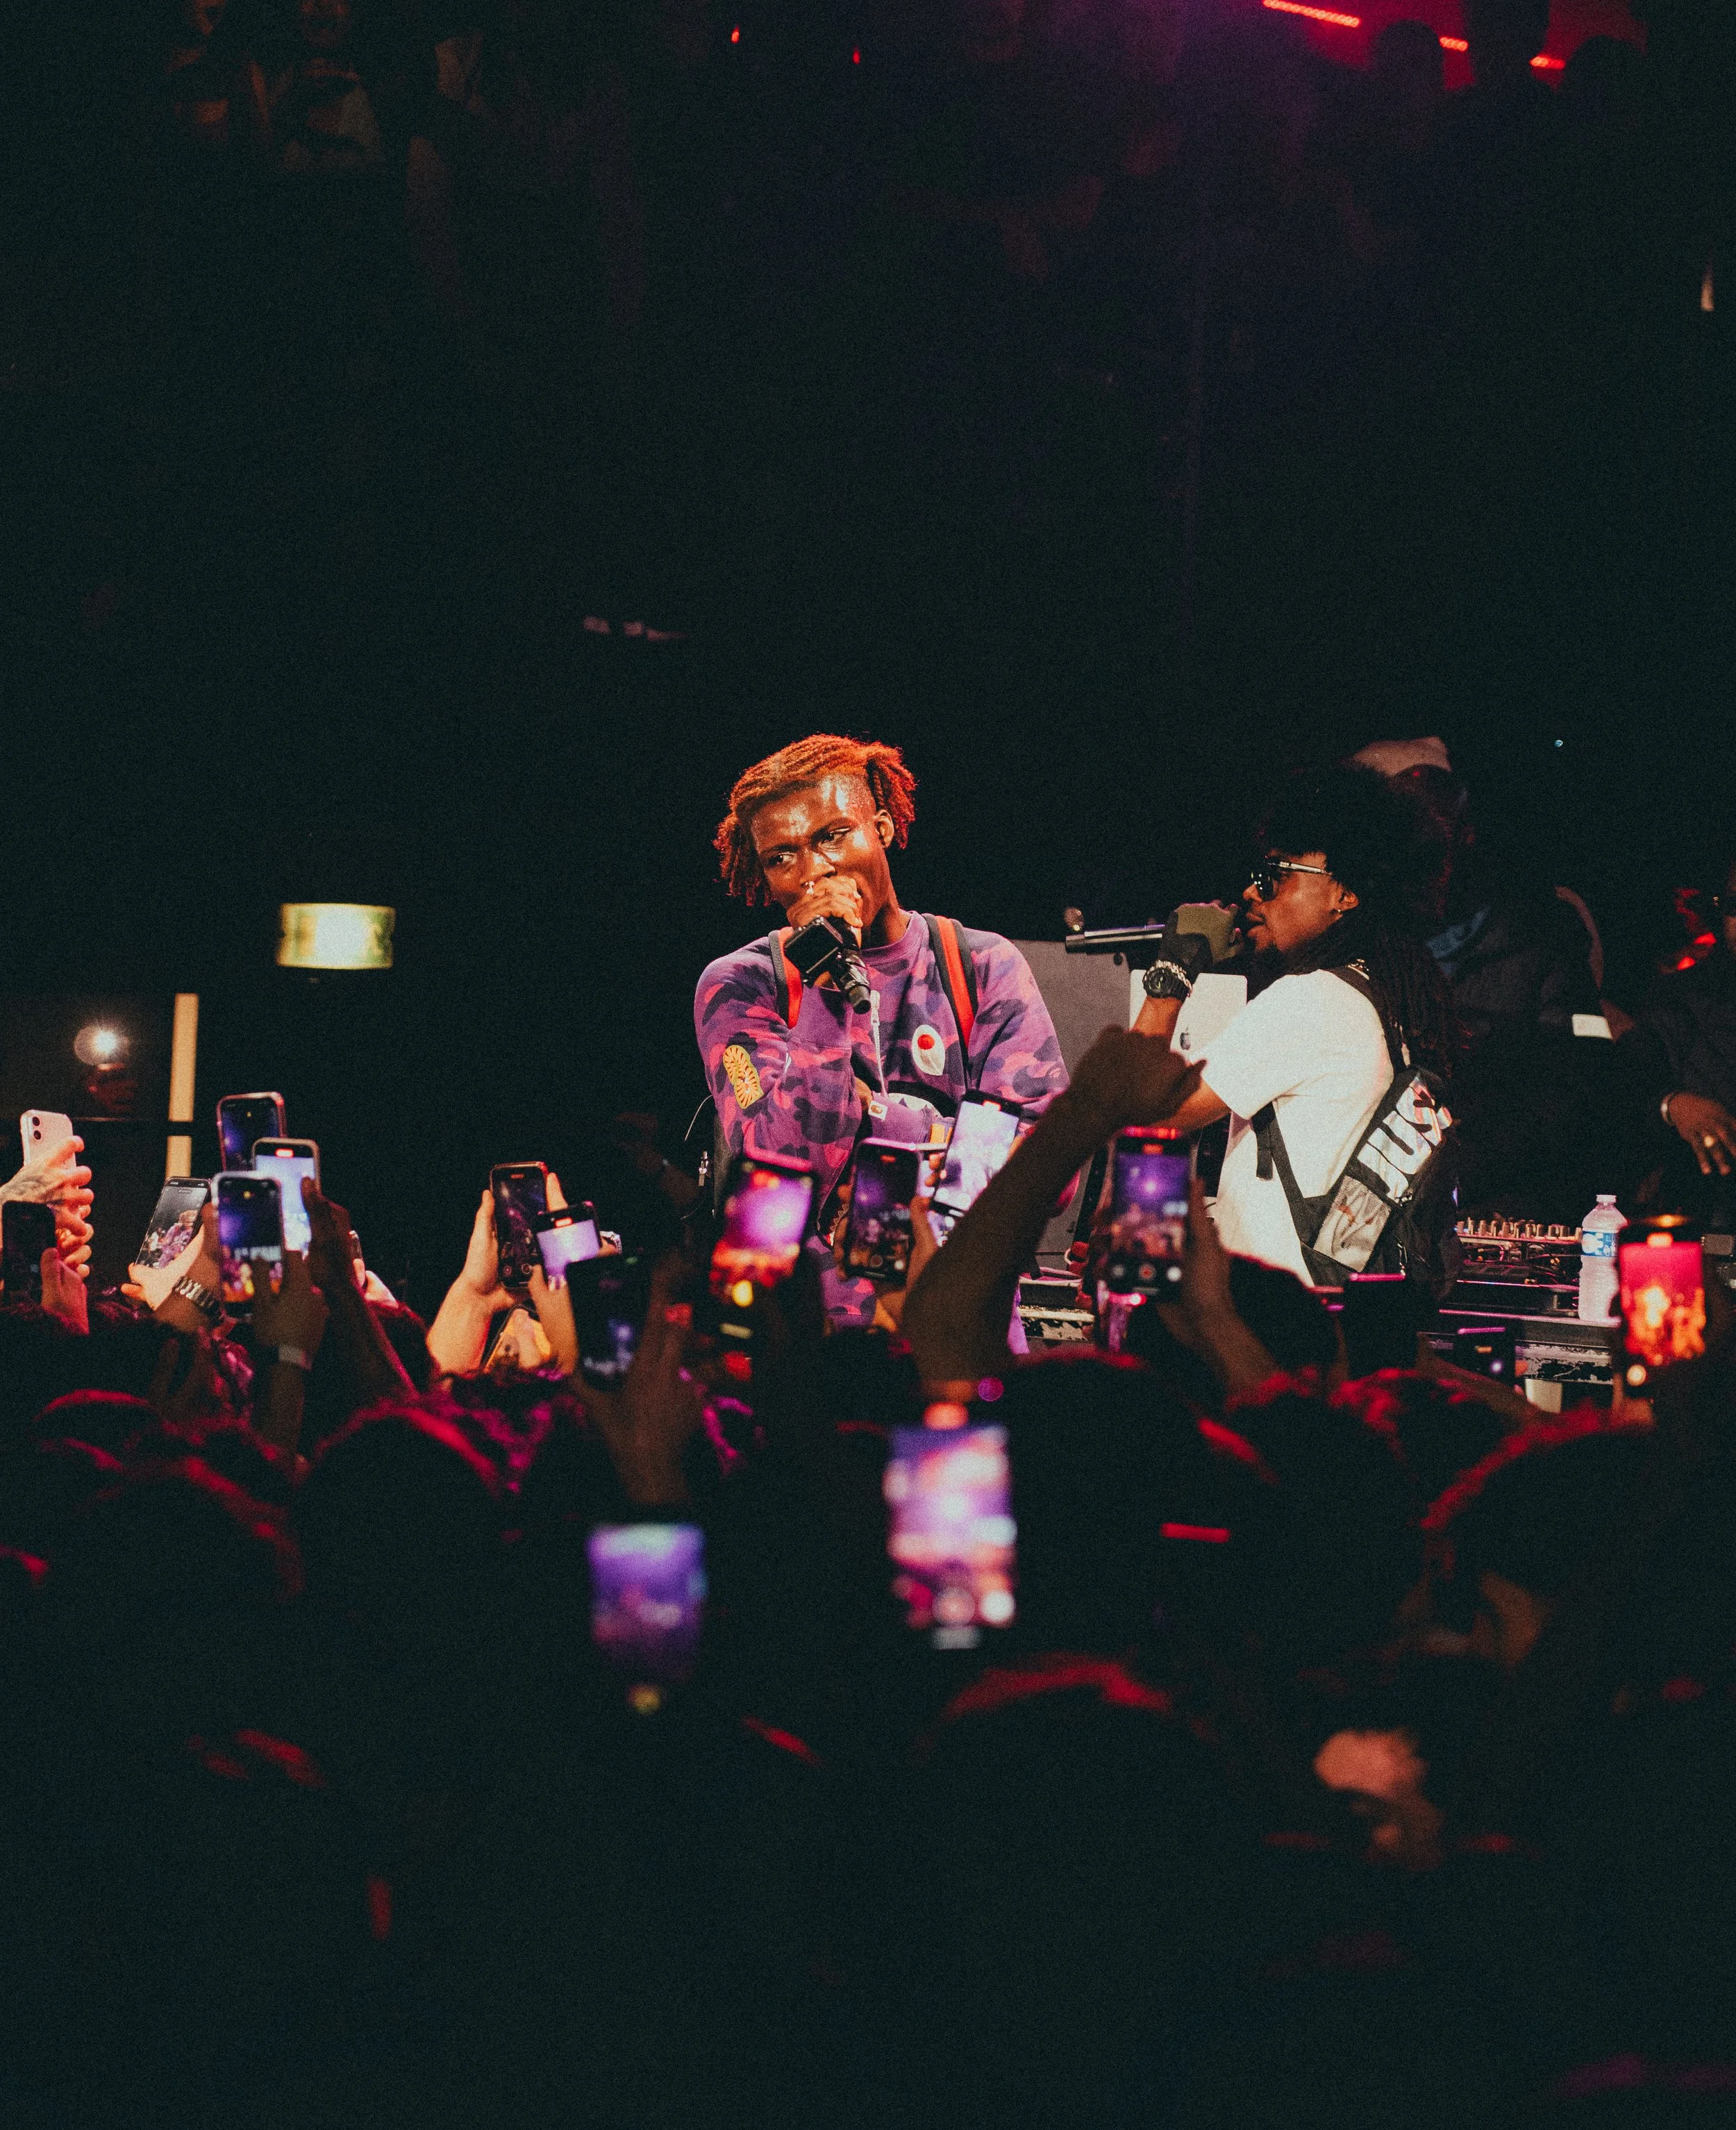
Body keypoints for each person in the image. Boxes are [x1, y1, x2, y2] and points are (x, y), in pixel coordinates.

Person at [696, 734, 1067, 1324]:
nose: (813, 872)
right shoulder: (741, 985)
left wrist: (884, 1122)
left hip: (962, 1328)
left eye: (834, 835)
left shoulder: (980, 965)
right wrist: (823, 986)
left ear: (885, 829)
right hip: (807, 1350)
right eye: (781, 857)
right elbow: (781, 1164)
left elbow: (1049, 1167)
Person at [1129, 762, 1456, 1286]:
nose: (1252, 893)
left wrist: (1171, 973)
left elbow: (1141, 1109)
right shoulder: (1390, 1000)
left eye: (1274, 876)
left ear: (1345, 892)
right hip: (1337, 1314)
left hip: (1274, 1322)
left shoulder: (1311, 1001)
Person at [1618, 847, 1736, 1224]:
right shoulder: (1678, 997)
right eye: (1733, 904)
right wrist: (1673, 1105)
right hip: (1708, 1215)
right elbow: (1623, 1093)